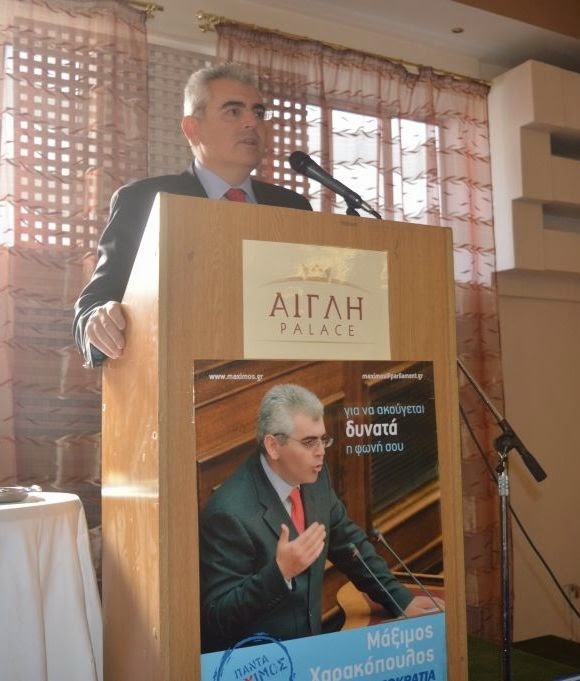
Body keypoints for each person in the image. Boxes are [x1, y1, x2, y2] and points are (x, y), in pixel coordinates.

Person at [73, 64, 312, 367]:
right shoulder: (144, 201)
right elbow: (95, 303)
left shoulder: (293, 208)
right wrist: (98, 321)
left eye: (259, 112)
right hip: (182, 374)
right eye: (233, 111)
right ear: (192, 129)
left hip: (283, 372)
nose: (252, 122)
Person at [199, 383, 444, 653]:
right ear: (273, 446)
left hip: (313, 652)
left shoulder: (313, 476)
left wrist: (400, 600)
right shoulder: (228, 514)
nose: (321, 451)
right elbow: (217, 616)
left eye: (323, 439)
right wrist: (280, 573)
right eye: (309, 442)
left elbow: (348, 543)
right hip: (260, 661)